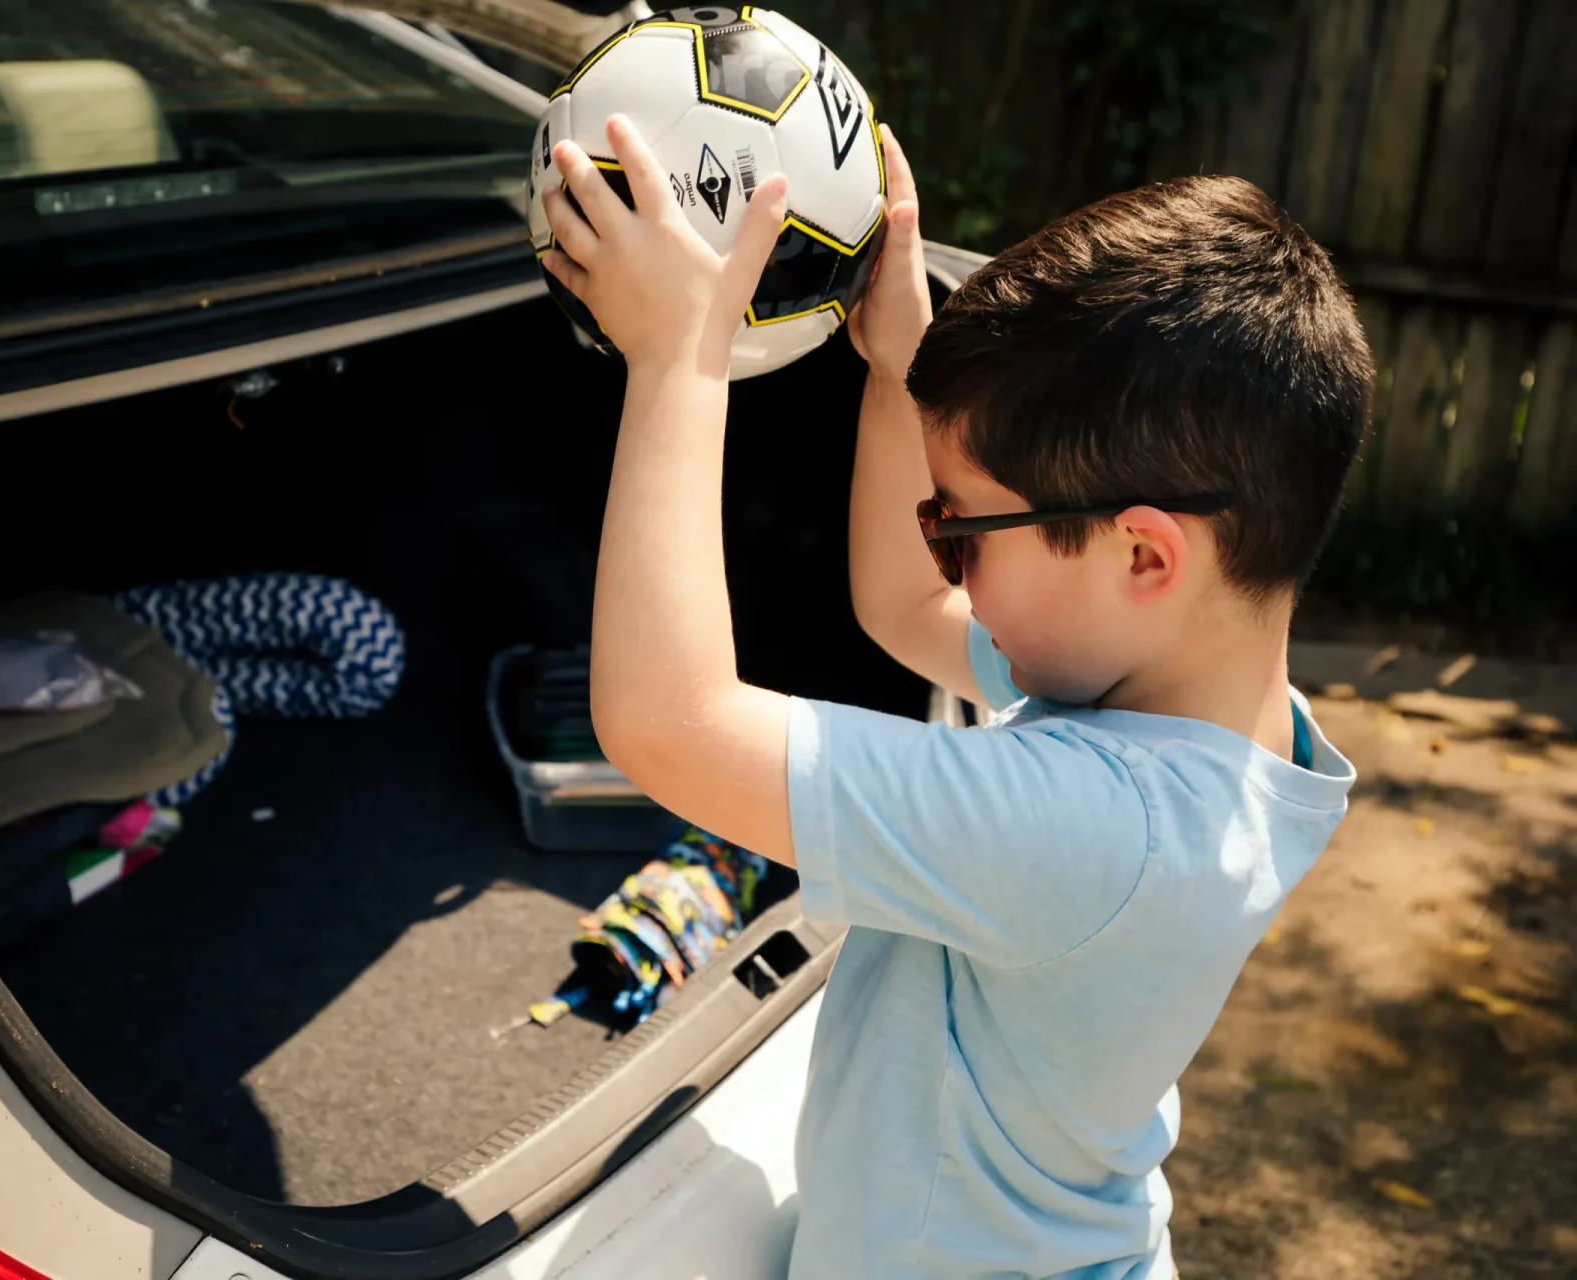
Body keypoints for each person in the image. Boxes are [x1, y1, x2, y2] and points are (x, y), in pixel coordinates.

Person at [538, 111, 1370, 1279]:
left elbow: (667, 724)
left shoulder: (1093, 828)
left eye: (964, 527)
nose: (945, 559)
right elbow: (899, 610)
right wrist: (896, 369)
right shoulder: (1210, 720)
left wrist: (681, 356)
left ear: (1143, 556)